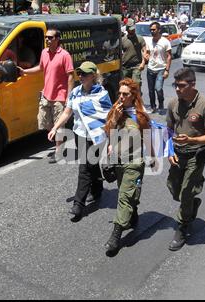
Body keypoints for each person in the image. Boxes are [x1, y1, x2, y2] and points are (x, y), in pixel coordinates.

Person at [47, 61, 112, 221]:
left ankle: (78, 204)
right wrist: (55, 128)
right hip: (80, 134)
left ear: (93, 76)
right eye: (79, 73)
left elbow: (109, 118)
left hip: (97, 136)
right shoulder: (75, 92)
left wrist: (111, 141)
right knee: (91, 165)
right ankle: (97, 189)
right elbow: (67, 113)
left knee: (84, 168)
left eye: (84, 74)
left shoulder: (102, 94)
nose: (80, 76)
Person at [166, 68, 205, 251]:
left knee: (186, 192)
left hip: (196, 154)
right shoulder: (172, 103)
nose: (177, 89)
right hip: (178, 154)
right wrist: (169, 152)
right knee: (174, 189)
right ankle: (192, 203)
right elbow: (169, 130)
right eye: (175, 85)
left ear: (192, 84)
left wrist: (192, 140)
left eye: (181, 86)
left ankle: (182, 227)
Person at [103, 78, 153, 252]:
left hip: (135, 162)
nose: (121, 97)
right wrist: (115, 119)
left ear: (134, 95)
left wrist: (152, 156)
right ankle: (133, 215)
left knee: (124, 197)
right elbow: (108, 134)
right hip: (118, 161)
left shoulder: (140, 115)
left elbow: (147, 137)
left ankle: (115, 236)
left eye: (125, 94)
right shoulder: (116, 110)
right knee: (127, 194)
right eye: (120, 93)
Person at [19, 29, 74, 163]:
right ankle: (59, 141)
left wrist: (69, 96)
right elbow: (41, 68)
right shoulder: (44, 52)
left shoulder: (65, 55)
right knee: (45, 123)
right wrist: (24, 71)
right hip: (46, 95)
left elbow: (71, 76)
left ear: (57, 39)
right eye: (46, 38)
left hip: (60, 96)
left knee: (58, 125)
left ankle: (58, 151)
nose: (47, 40)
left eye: (50, 38)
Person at [146, 21, 172, 114]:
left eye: (154, 29)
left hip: (161, 69)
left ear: (159, 30)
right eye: (151, 30)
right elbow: (147, 53)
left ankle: (161, 103)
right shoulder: (149, 41)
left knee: (158, 88)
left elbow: (169, 56)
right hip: (150, 68)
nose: (152, 31)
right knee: (151, 90)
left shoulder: (165, 41)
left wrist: (167, 70)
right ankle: (153, 106)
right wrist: (146, 56)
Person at [121, 19, 147, 89]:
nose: (132, 31)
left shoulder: (140, 39)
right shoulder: (123, 40)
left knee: (136, 85)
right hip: (125, 67)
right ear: (127, 29)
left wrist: (143, 63)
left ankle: (138, 98)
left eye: (133, 29)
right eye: (131, 29)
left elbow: (145, 51)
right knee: (125, 86)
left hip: (136, 66)